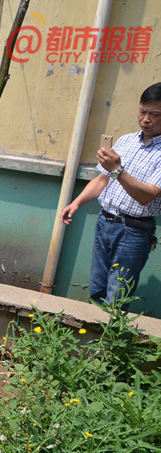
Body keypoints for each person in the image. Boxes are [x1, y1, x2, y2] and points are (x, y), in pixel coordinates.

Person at [61, 82, 161, 305]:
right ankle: (95, 337)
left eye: (154, 114)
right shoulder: (126, 141)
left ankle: (109, 339)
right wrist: (76, 203)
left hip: (135, 229)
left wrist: (118, 169)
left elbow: (147, 195)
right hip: (105, 221)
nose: (146, 119)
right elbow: (102, 179)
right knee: (97, 287)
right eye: (143, 111)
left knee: (117, 294)